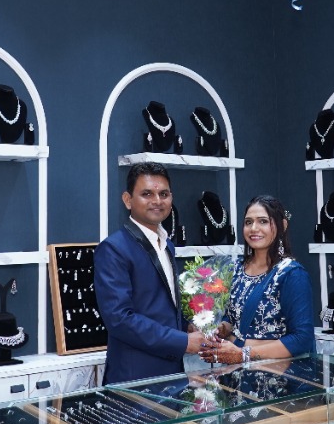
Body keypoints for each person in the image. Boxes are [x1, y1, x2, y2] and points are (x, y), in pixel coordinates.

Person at [95, 162, 204, 384]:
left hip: (172, 374)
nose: (157, 201)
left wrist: (187, 326)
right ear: (128, 200)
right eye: (147, 194)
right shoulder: (114, 248)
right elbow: (120, 319)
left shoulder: (167, 245)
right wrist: (182, 341)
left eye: (164, 194)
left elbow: (160, 305)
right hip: (135, 378)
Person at [200, 195, 315, 365]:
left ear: (282, 225)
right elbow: (235, 318)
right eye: (248, 222)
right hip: (235, 371)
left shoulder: (291, 274)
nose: (254, 228)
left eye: (263, 221)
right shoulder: (236, 269)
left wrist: (243, 354)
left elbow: (302, 339)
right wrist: (222, 328)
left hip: (275, 373)